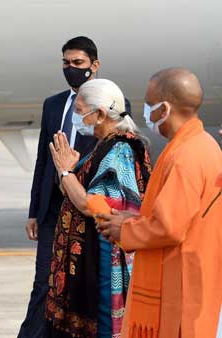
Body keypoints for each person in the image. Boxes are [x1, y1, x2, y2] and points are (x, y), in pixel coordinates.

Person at [18, 36, 132, 338]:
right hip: (54, 206)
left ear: (94, 66)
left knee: (79, 283)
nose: (70, 69)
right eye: (66, 63)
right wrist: (34, 210)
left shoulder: (112, 106)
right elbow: (44, 160)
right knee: (44, 281)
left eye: (77, 63)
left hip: (86, 208)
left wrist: (70, 172)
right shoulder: (53, 105)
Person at [97, 68, 222, 338]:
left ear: (164, 108)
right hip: (195, 280)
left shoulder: (184, 157)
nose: (145, 111)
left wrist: (125, 230)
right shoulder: (203, 145)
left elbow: (170, 227)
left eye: (148, 102)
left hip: (179, 290)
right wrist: (134, 221)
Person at [43, 79, 151, 338]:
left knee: (103, 325)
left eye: (80, 112)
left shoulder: (119, 150)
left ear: (100, 114)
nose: (76, 119)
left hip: (103, 258)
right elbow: (77, 195)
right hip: (89, 255)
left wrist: (65, 171)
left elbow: (98, 206)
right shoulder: (102, 146)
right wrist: (70, 173)